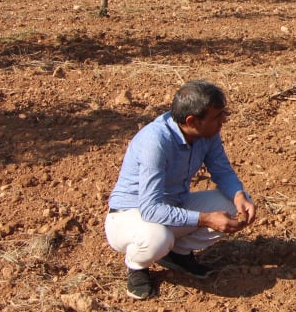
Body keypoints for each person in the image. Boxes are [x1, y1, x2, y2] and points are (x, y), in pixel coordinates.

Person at [105, 80, 256, 300]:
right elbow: (151, 210)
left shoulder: (207, 134)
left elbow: (222, 171)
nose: (223, 120)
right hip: (131, 216)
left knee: (234, 203)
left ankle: (177, 253)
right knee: (156, 236)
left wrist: (239, 195)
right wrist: (206, 219)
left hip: (172, 207)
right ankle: (137, 266)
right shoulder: (155, 142)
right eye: (217, 116)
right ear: (192, 121)